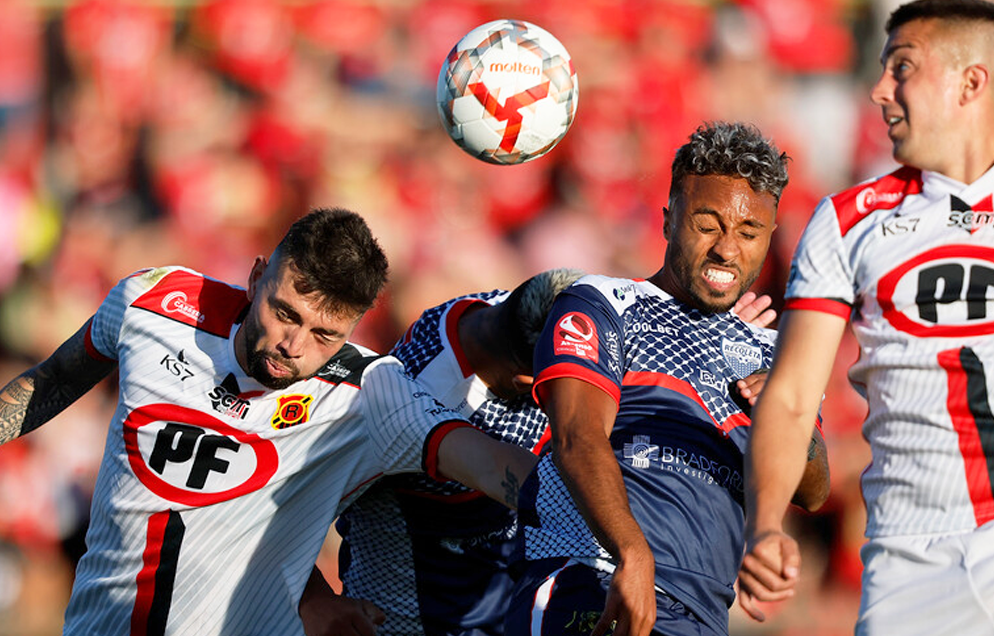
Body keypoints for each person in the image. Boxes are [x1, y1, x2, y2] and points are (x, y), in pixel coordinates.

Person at [0, 207, 540, 635]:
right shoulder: (153, 303)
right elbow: (54, 378)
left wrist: (597, 515)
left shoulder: (370, 390)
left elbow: (481, 462)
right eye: (285, 311)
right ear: (255, 276)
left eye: (324, 333)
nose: (293, 343)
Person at [300, 273, 778, 636]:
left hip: (521, 608)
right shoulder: (404, 398)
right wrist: (314, 601)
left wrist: (711, 342)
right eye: (568, 382)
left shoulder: (525, 316)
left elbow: (620, 320)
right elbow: (281, 496)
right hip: (411, 622)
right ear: (531, 387)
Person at [502, 121, 830, 636]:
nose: (727, 249)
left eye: (748, 233)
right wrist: (633, 552)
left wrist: (789, 418)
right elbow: (576, 436)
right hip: (593, 583)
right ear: (667, 220)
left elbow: (813, 490)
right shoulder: (600, 304)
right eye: (707, 224)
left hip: (702, 616)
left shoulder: (772, 350)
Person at [740, 1, 994, 634]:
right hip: (908, 556)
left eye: (902, 68)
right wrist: (765, 524)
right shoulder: (848, 220)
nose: (880, 90)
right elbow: (795, 393)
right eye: (880, 69)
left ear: (971, 82)